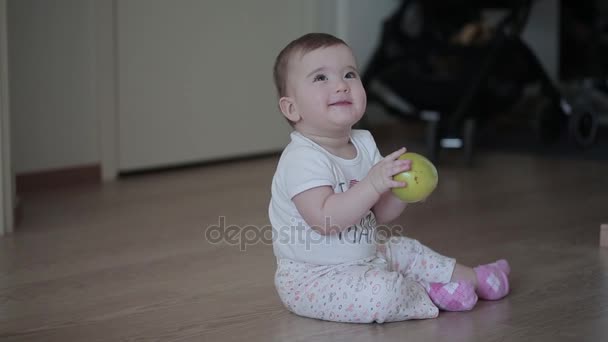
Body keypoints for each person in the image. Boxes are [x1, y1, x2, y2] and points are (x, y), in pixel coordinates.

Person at [268, 33, 510, 323]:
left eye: (349, 74)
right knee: (380, 294)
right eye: (321, 78)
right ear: (291, 108)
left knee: (407, 249)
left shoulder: (363, 142)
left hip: (367, 256)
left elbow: (378, 214)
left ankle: (475, 278)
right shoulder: (301, 158)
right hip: (315, 278)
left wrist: (399, 192)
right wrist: (372, 183)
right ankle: (429, 292)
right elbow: (325, 221)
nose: (341, 85)